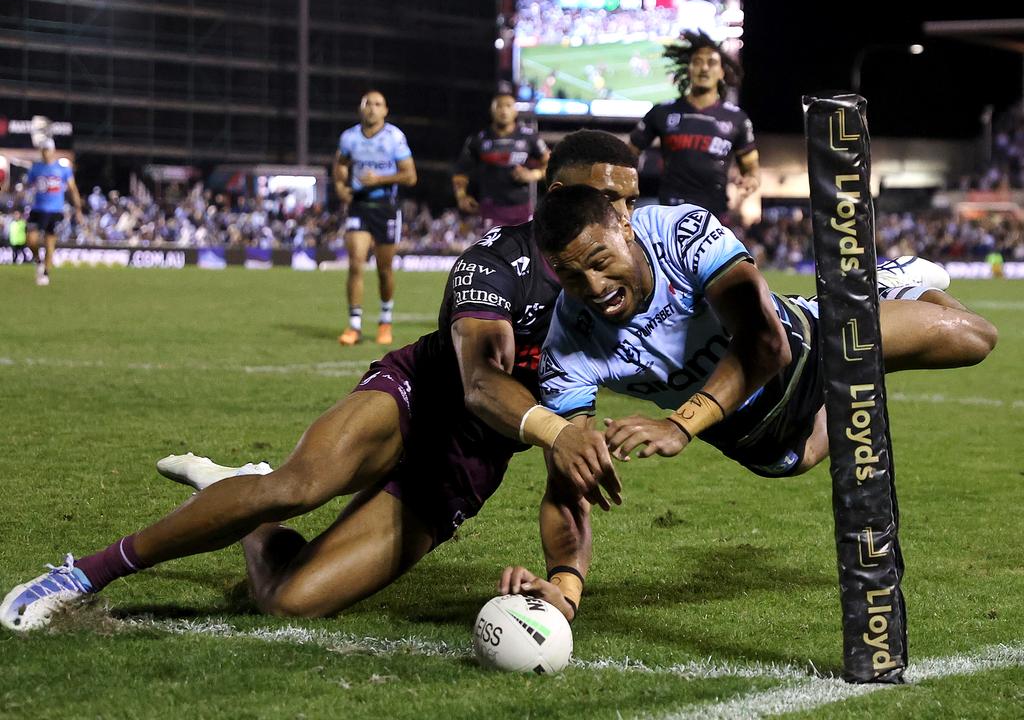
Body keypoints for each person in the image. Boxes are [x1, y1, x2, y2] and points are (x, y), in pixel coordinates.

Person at [0, 130, 638, 633]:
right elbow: (479, 384)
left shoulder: (614, 300)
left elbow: (570, 480)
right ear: (557, 191)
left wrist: (567, 588)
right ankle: (81, 575)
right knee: (298, 486)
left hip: (462, 467)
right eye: (610, 199)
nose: (625, 214)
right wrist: (556, 430)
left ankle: (239, 500)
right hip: (417, 402)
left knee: (289, 601)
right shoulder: (497, 261)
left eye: (630, 202)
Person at [529, 186, 998, 484]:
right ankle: (868, 342)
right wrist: (564, 585)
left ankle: (882, 285)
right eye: (572, 277)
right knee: (799, 462)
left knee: (974, 338)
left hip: (799, 347)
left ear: (625, 228)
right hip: (748, 430)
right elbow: (569, 463)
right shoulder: (567, 347)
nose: (593, 287)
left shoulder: (678, 232)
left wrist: (679, 424)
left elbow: (764, 343)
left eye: (599, 262)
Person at [629, 31, 759, 219]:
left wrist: (751, 180)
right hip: (669, 215)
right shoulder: (662, 112)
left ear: (722, 71)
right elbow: (629, 154)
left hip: (714, 217)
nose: (704, 68)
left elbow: (752, 167)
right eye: (697, 62)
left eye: (712, 62)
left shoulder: (737, 119)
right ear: (688, 68)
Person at [334, 91, 417, 347]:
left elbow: (410, 176)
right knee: (356, 263)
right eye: (367, 104)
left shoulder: (394, 137)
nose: (372, 108)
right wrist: (340, 186)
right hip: (359, 206)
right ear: (360, 109)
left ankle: (385, 321)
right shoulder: (349, 137)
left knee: (384, 270)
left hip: (386, 207)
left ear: (385, 111)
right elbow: (340, 164)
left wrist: (379, 180)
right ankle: (354, 326)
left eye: (378, 104)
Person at [453, 88, 550, 230]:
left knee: (526, 251)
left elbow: (551, 164)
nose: (504, 111)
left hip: (521, 208)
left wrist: (533, 174)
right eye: (499, 106)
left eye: (508, 106)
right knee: (494, 252)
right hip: (491, 208)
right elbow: (461, 170)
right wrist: (461, 196)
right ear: (491, 109)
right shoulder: (478, 139)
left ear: (515, 110)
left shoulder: (529, 137)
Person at [25, 139, 83, 285]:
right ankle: (38, 260)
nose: (45, 152)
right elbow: (28, 186)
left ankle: (45, 273)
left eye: (47, 149)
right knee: (30, 240)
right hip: (37, 209)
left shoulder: (62, 169)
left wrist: (78, 210)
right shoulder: (35, 168)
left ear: (53, 150)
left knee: (50, 243)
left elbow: (73, 189)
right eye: (43, 150)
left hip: (55, 211)